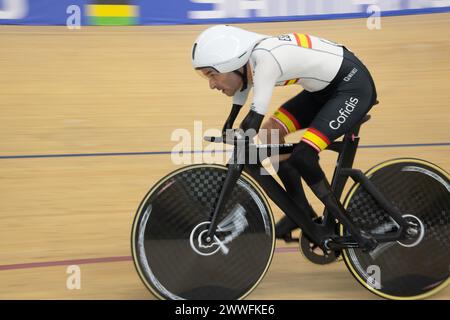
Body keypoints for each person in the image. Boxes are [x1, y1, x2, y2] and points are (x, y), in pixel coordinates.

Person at [191, 24, 378, 247]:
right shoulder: (248, 65)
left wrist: (241, 135)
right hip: (322, 93)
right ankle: (301, 213)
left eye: (212, 75)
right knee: (270, 133)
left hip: (352, 89)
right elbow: (241, 97)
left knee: (303, 156)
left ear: (232, 64)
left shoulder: (266, 59)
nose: (212, 84)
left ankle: (351, 229)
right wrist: (229, 127)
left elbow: (255, 113)